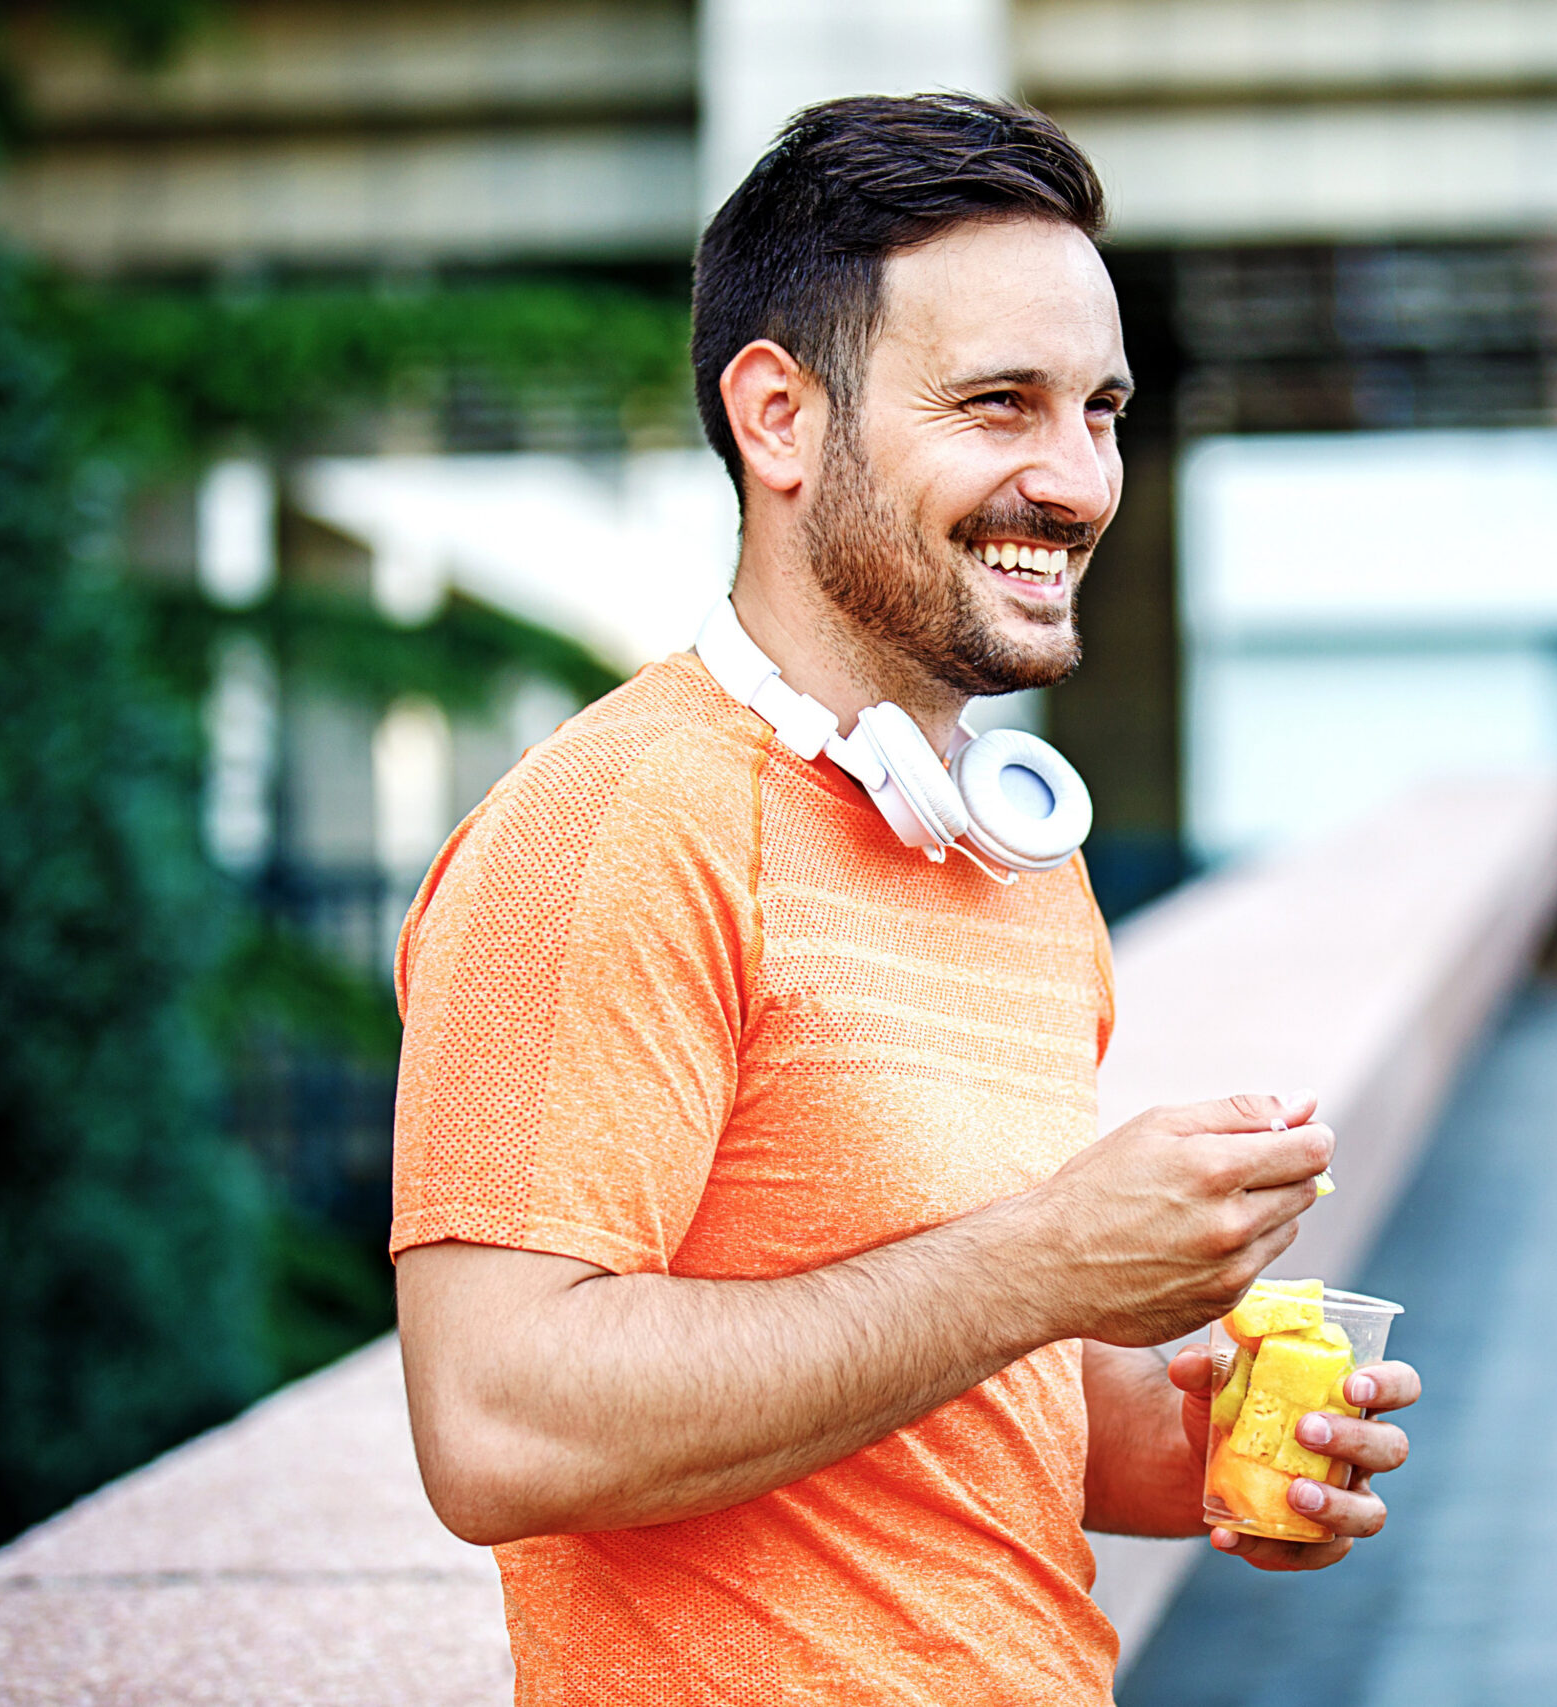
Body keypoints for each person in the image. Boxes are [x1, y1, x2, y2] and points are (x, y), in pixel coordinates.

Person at [389, 92, 1420, 1705]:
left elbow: (918, 1370)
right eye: (1000, 404)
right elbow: (499, 1421)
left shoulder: (1007, 851)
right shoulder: (607, 831)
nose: (1076, 482)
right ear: (779, 419)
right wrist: (1047, 1263)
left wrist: (1182, 1438)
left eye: (1104, 411)